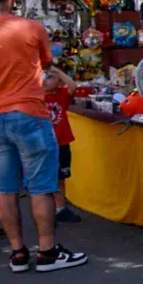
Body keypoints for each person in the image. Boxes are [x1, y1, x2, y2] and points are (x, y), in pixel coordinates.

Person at [0, 0, 87, 272]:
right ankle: (47, 251)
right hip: (29, 113)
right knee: (41, 186)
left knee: (4, 188)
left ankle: (18, 253)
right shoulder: (31, 27)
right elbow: (47, 66)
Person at [42, 71, 80, 223]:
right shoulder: (37, 96)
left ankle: (60, 208)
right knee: (47, 177)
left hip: (62, 142)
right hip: (44, 144)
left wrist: (56, 70)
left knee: (61, 177)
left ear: (59, 83)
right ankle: (48, 209)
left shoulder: (62, 94)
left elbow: (72, 86)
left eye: (50, 78)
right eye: (44, 77)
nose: (45, 80)